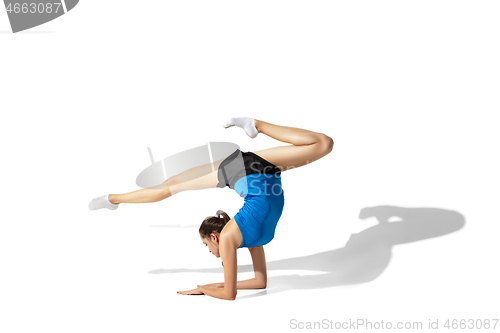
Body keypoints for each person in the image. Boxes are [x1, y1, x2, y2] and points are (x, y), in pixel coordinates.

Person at [89, 117, 334, 300]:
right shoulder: (242, 239)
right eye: (206, 245)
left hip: (239, 170)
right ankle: (255, 124)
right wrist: (214, 286)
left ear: (215, 235)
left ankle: (113, 199)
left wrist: (208, 288)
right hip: (265, 171)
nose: (209, 250)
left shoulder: (236, 236)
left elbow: (231, 292)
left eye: (206, 245)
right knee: (324, 143)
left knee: (170, 186)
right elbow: (257, 283)